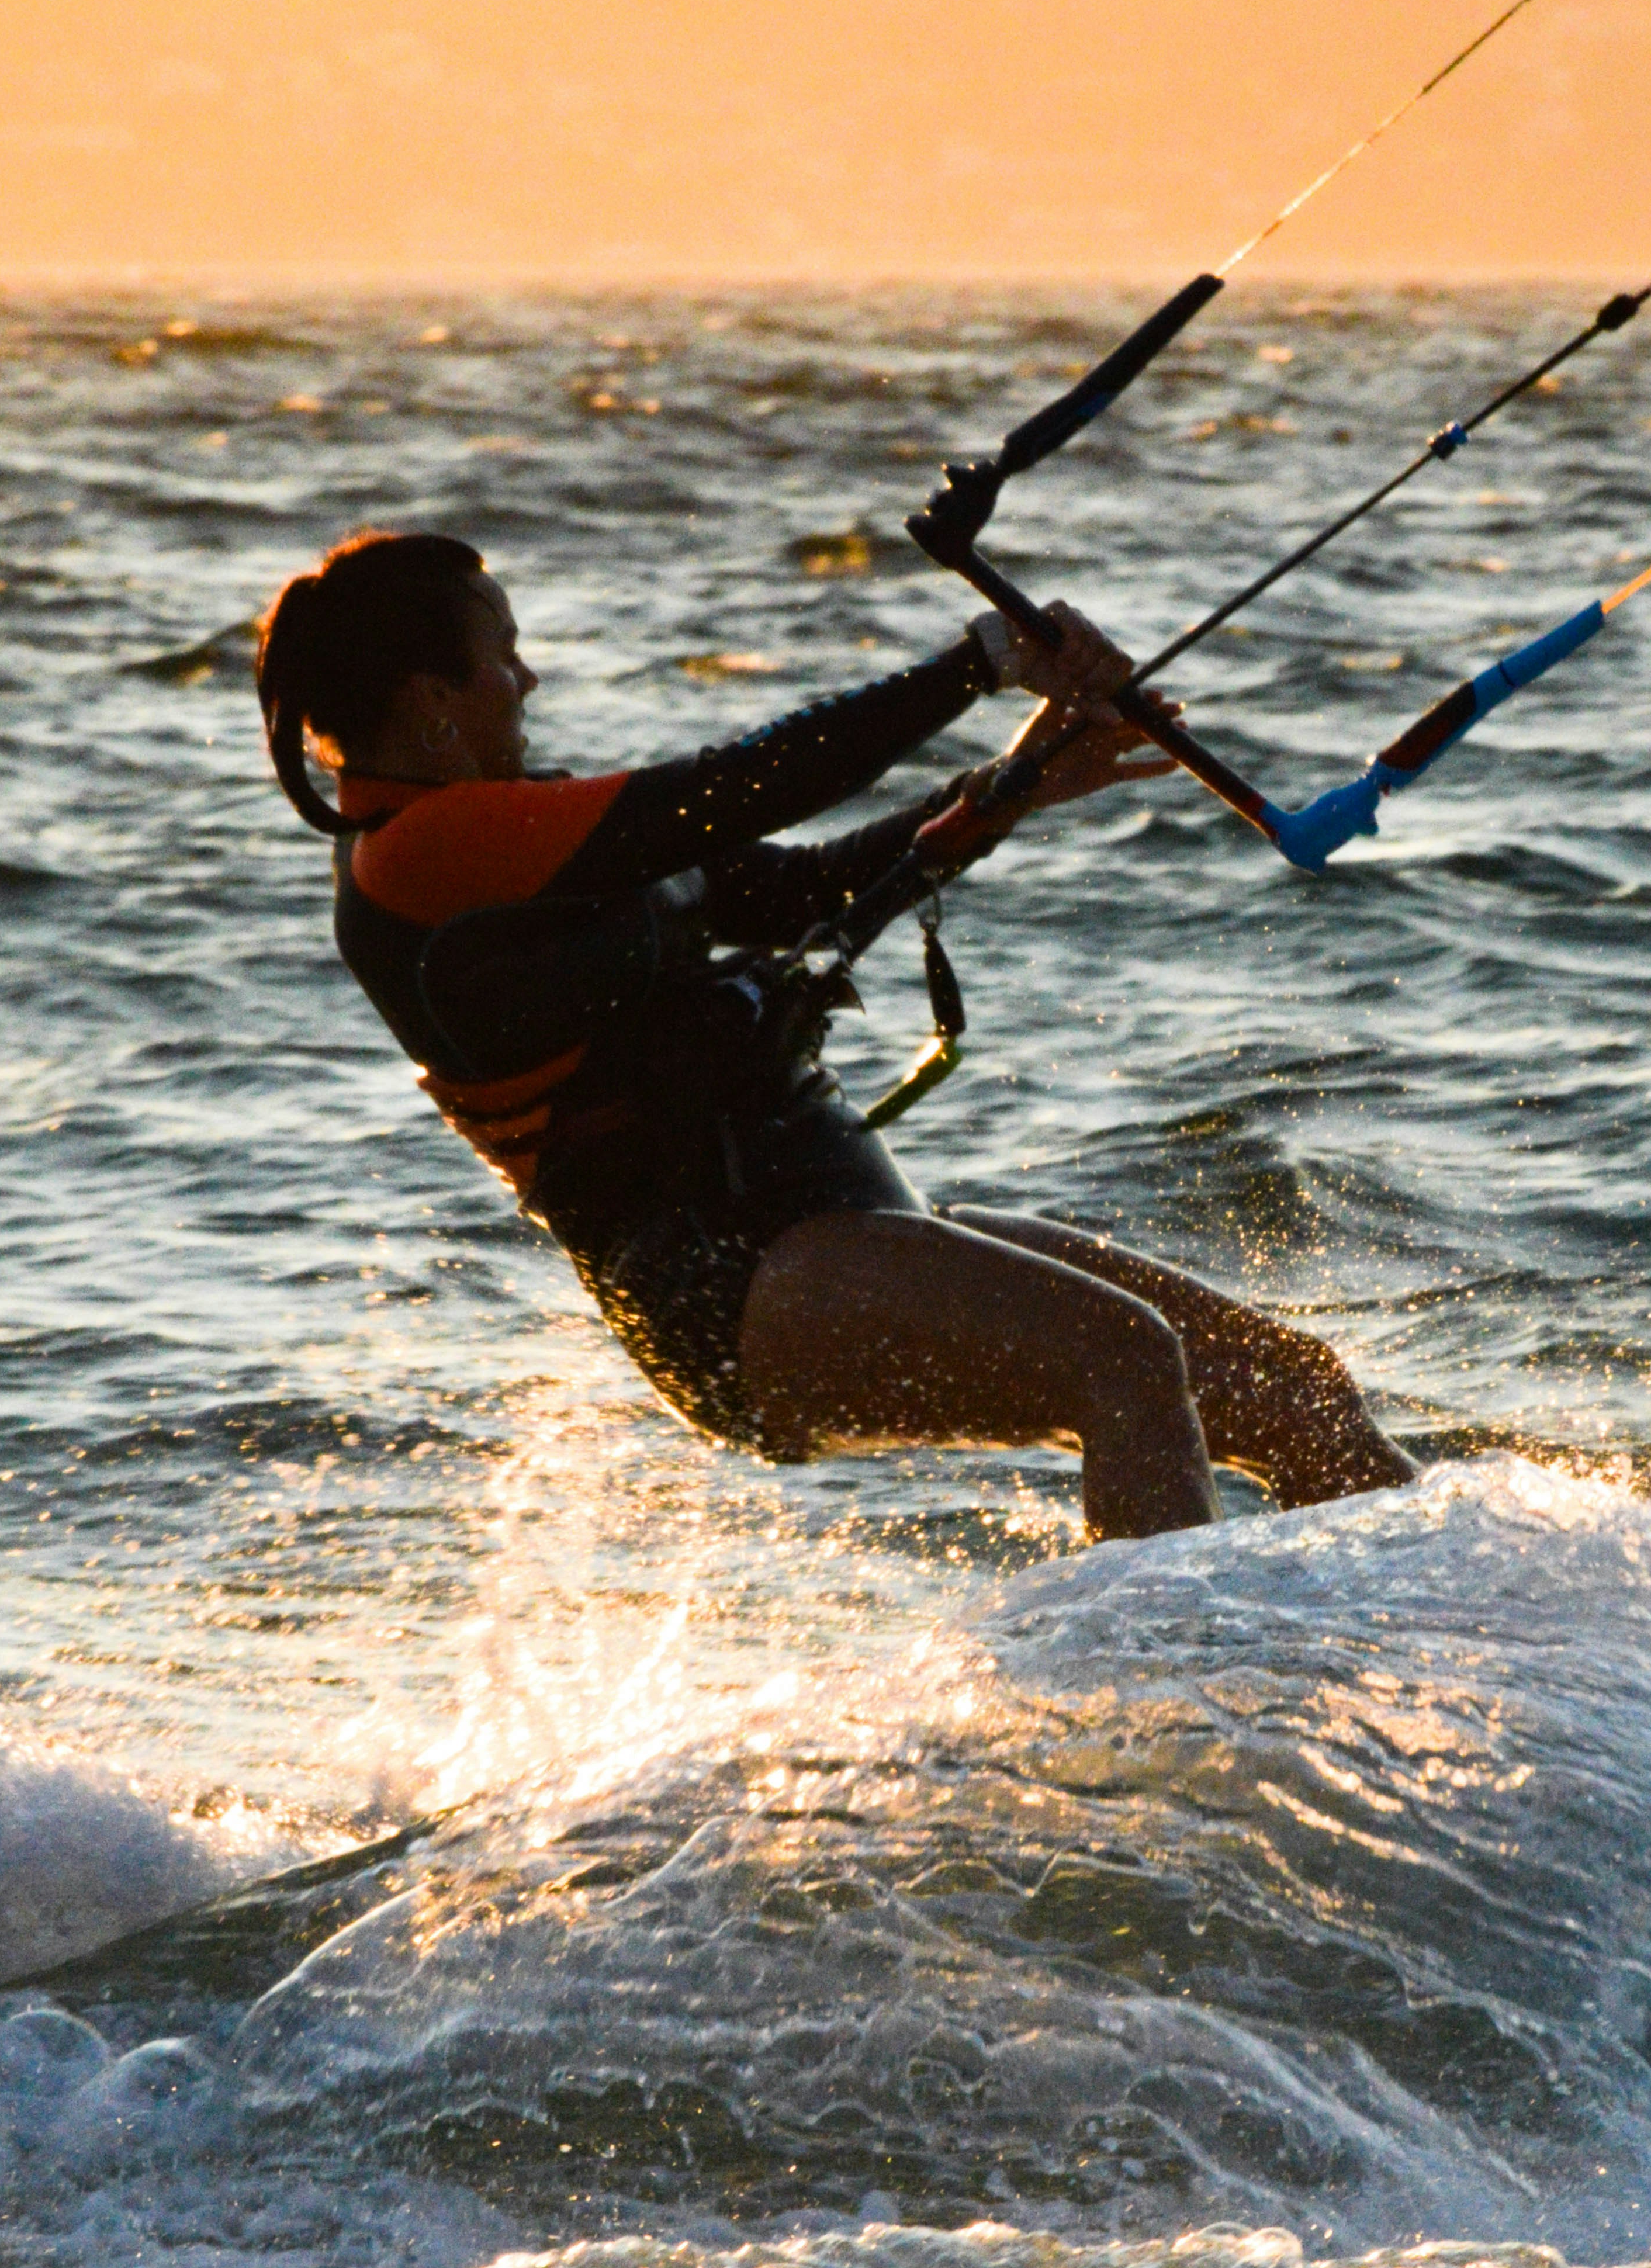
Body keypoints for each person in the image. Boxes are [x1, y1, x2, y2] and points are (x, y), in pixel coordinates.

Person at [255, 529, 1413, 1539]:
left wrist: (1006, 788)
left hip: (834, 1221)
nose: (529, 675)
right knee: (1124, 1362)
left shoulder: (515, 831)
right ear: (432, 701)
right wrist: (979, 666)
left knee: (1285, 1387)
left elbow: (791, 885)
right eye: (504, 654)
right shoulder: (414, 858)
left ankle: (1502, 1669)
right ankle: (1172, 1723)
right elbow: (739, 788)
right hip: (732, 1277)